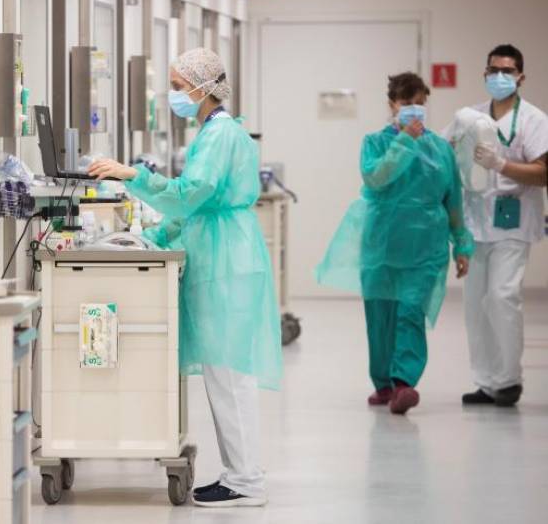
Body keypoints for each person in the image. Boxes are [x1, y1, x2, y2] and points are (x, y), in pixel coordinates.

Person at [88, 48, 282, 508]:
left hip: (226, 260)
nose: (173, 94)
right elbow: (196, 208)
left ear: (201, 87)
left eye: (177, 86)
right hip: (224, 251)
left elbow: (191, 193)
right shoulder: (216, 131)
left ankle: (246, 481)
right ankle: (242, 473)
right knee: (226, 374)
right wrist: (151, 235)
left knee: (229, 374)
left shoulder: (219, 135)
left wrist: (134, 176)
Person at [316, 72, 474, 415]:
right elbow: (376, 178)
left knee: (411, 312)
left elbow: (453, 199)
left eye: (420, 103)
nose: (414, 110)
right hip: (383, 245)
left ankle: (404, 383)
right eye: (406, 103)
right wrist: (404, 142)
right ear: (392, 105)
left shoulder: (441, 149)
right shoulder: (375, 143)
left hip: (426, 247)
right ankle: (383, 384)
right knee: (381, 317)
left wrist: (462, 245)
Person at [452, 45, 548, 407]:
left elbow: (543, 173)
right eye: (493, 70)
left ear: (521, 77)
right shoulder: (471, 116)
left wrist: (501, 164)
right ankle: (486, 382)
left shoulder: (534, 120)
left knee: (502, 296)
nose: (499, 77)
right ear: (484, 73)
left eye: (507, 71)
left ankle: (508, 381)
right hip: (476, 222)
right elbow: (445, 148)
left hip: (513, 222)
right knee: (476, 305)